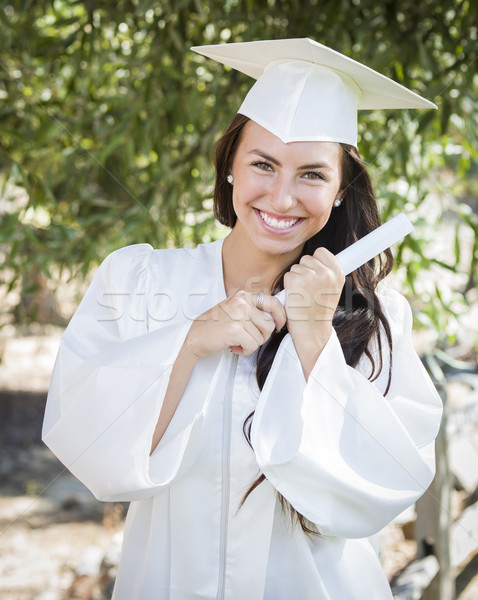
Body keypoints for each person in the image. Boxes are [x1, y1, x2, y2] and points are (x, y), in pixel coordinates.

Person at [42, 38, 443, 599]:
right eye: (262, 164)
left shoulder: (375, 318)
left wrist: (313, 338)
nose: (281, 197)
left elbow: (384, 482)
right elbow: (88, 442)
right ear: (230, 164)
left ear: (339, 190)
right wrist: (188, 342)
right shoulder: (140, 282)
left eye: (312, 174)